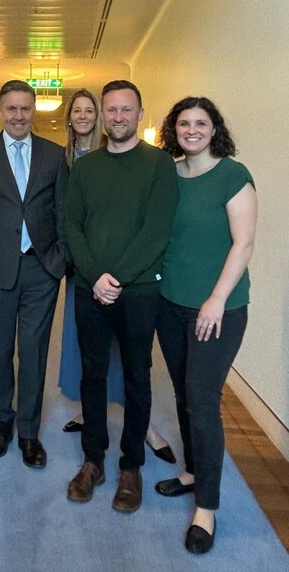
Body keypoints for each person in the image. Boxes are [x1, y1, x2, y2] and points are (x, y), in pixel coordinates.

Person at [65, 80, 178, 512]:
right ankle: (93, 461)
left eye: (125, 110)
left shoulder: (159, 164)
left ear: (140, 114)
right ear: (103, 115)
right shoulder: (86, 167)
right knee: (92, 376)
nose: (117, 117)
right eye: (110, 110)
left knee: (136, 377)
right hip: (89, 290)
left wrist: (117, 278)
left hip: (140, 291)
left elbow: (156, 231)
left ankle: (131, 465)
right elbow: (72, 225)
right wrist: (96, 277)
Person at [155, 97, 257, 554]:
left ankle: (207, 507)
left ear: (214, 127)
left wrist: (215, 300)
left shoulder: (233, 175)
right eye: (183, 123)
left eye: (200, 122)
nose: (191, 130)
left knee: (202, 398)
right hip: (170, 303)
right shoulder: (169, 174)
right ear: (172, 129)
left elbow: (244, 242)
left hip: (218, 309)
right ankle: (193, 470)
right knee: (182, 393)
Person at [0, 80, 68, 468]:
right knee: (0, 350)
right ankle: (2, 423)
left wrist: (59, 262)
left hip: (41, 269)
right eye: (11, 109)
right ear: (1, 110)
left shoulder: (55, 155)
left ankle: (28, 432)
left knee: (35, 351)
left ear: (34, 110)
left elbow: (64, 214)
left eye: (25, 109)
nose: (18, 116)